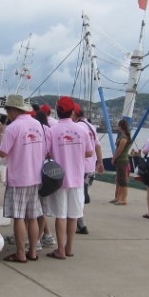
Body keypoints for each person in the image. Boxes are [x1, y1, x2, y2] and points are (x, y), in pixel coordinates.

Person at [0, 94, 45, 264]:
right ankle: (32, 251)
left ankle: (20, 253)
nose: (8, 114)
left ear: (13, 110)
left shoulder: (13, 127)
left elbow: (2, 152)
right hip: (35, 176)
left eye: (8, 111)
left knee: (19, 217)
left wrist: (0, 135)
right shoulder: (37, 124)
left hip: (19, 177)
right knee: (32, 217)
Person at [46, 96, 93, 259]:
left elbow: (46, 153)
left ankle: (60, 249)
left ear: (57, 111)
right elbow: (89, 152)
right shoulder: (82, 130)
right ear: (72, 111)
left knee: (61, 215)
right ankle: (69, 247)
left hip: (58, 178)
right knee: (73, 215)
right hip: (77, 178)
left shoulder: (52, 131)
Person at [72, 105, 104, 234]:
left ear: (74, 114)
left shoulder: (78, 127)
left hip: (81, 167)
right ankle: (80, 223)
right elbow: (98, 146)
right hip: (91, 167)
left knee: (77, 197)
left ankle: (80, 224)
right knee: (82, 197)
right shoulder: (91, 126)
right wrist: (100, 162)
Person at [34, 105, 55, 251]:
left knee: (32, 210)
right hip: (46, 172)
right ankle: (40, 238)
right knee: (42, 209)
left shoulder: (35, 129)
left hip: (34, 171)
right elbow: (50, 150)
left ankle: (36, 239)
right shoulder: (49, 130)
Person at [111, 118, 133, 206]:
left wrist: (114, 158)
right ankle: (118, 197)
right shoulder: (122, 136)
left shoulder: (124, 138)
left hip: (122, 160)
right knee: (119, 179)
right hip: (120, 160)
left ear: (120, 126)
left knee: (122, 179)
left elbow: (120, 150)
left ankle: (124, 198)